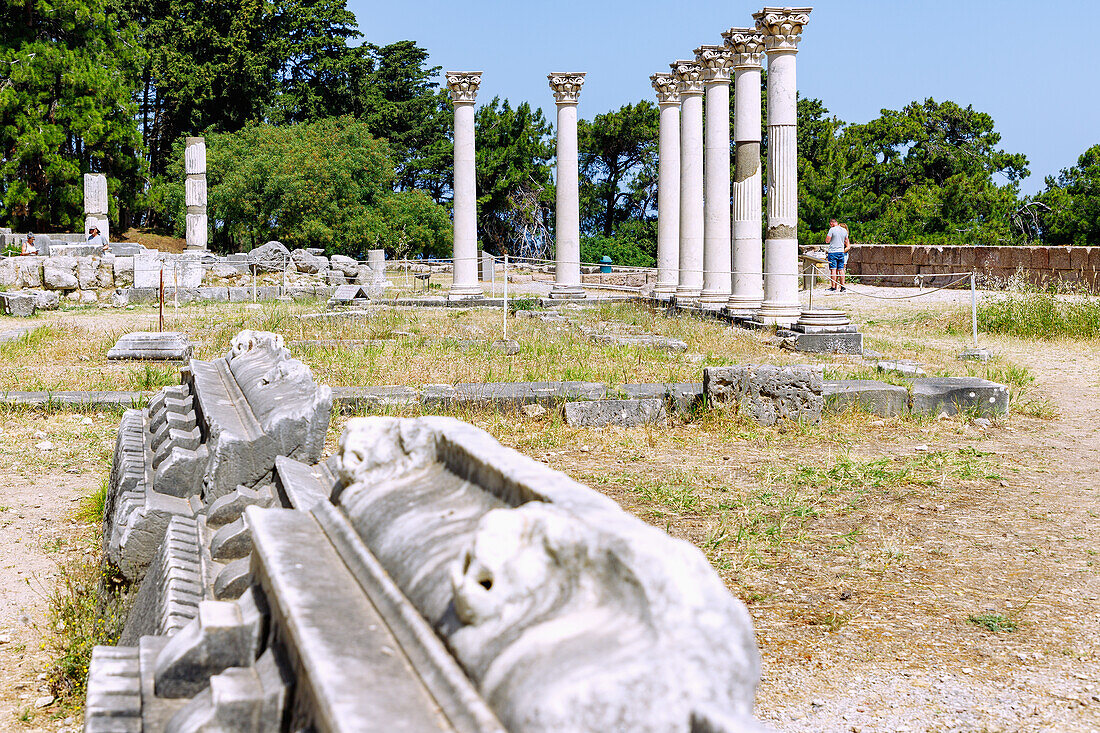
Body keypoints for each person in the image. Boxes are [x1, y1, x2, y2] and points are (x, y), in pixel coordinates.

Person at [824, 218, 851, 292]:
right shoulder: (844, 230)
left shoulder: (832, 230)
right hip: (841, 252)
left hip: (833, 252)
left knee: (833, 270)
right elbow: (846, 241)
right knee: (841, 270)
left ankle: (833, 287)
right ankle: (842, 287)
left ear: (831, 223)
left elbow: (827, 240)